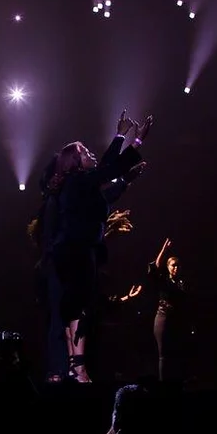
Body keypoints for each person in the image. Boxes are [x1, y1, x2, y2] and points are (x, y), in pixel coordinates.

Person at [47, 111, 150, 382]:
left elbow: (106, 189)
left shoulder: (81, 185)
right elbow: (108, 169)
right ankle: (78, 369)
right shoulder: (78, 181)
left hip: (74, 249)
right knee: (78, 306)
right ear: (74, 161)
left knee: (74, 306)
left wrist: (126, 179)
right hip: (76, 250)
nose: (89, 152)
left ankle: (75, 366)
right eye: (84, 151)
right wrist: (134, 141)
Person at [148, 238, 187, 383]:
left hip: (177, 321)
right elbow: (156, 267)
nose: (176, 268)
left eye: (178, 266)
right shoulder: (163, 280)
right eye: (173, 265)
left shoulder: (182, 283)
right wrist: (164, 250)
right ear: (168, 267)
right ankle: (162, 383)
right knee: (163, 355)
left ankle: (175, 383)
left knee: (176, 354)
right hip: (163, 319)